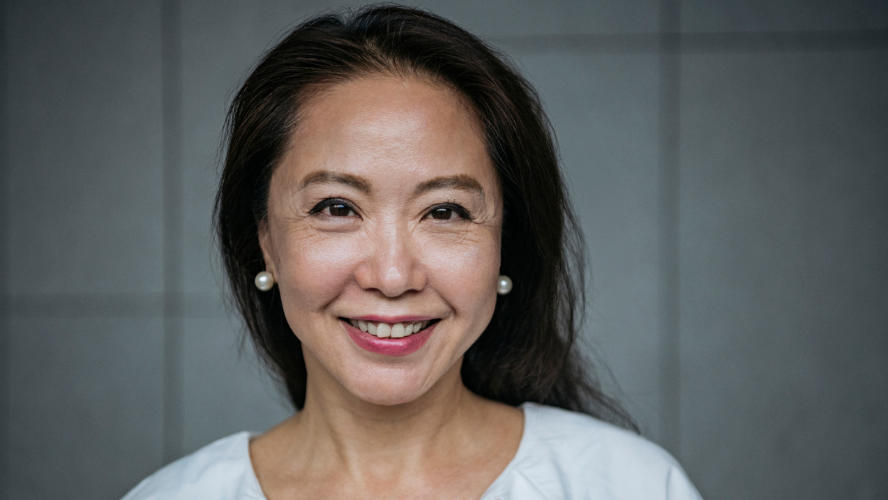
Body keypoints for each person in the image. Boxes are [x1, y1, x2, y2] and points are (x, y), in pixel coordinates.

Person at [123, 5, 702, 499]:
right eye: (337, 208)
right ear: (266, 244)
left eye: (445, 212)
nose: (394, 275)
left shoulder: (627, 484)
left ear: (505, 245)